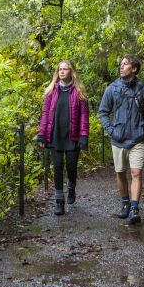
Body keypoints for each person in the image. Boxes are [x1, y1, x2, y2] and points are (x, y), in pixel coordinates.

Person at [98, 54, 144, 225]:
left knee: (136, 173)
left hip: (138, 138)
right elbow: (103, 112)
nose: (121, 67)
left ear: (134, 69)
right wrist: (111, 130)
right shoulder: (112, 88)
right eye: (121, 64)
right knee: (120, 172)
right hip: (118, 138)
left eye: (125, 64)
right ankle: (125, 203)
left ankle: (134, 208)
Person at [35, 60, 90, 216]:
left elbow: (84, 116)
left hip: (72, 136)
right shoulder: (51, 91)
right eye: (60, 69)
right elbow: (45, 114)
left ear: (71, 72)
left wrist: (84, 135)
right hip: (55, 135)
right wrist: (42, 134)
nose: (62, 72)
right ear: (57, 72)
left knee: (71, 166)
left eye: (65, 69)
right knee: (57, 166)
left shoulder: (79, 91)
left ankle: (71, 186)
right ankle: (59, 201)